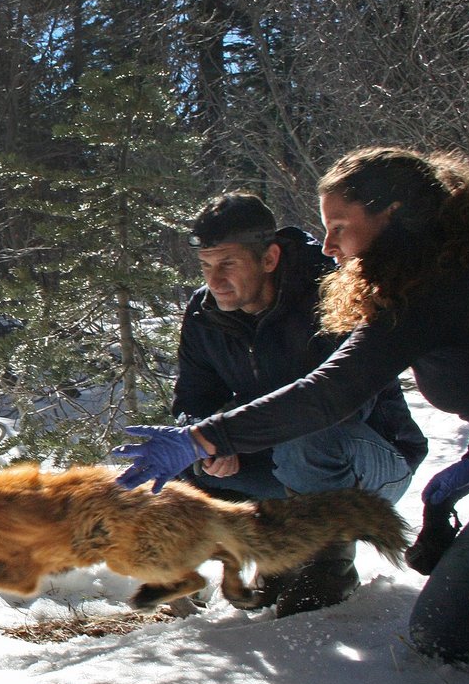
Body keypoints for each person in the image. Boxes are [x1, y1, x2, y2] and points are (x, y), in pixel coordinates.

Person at [112, 147, 469, 684]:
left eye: (340, 227)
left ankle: (320, 573)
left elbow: (332, 393)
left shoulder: (443, 286)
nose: (330, 245)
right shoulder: (427, 279)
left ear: (396, 216)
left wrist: (210, 439)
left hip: (380, 461)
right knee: (440, 639)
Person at [172, 193, 427, 616]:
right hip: (279, 464)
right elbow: (193, 401)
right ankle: (270, 558)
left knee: (310, 438)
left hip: (368, 463)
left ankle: (328, 566)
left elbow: (341, 404)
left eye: (228, 264)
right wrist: (209, 441)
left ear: (269, 258)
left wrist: (234, 436)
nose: (214, 281)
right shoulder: (204, 315)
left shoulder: (331, 295)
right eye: (206, 266)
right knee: (177, 455)